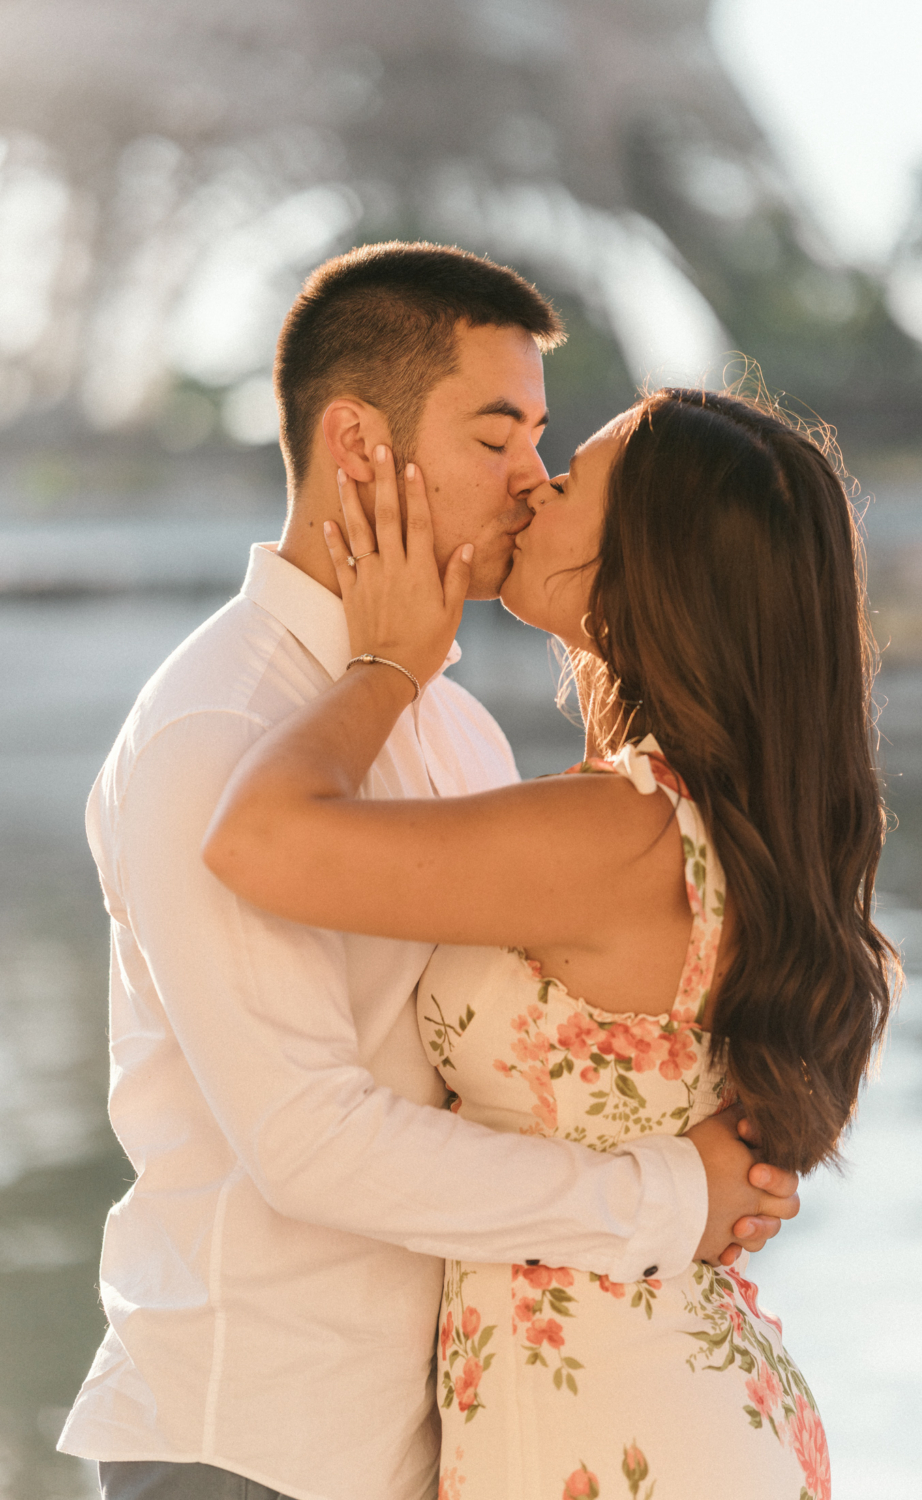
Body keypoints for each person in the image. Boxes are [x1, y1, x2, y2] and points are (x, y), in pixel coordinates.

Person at [58, 243, 801, 1500]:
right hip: (253, 1443)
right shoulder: (213, 733)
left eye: (544, 444)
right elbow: (307, 1143)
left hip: (447, 1436)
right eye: (497, 439)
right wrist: (670, 1196)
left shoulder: (451, 723)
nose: (533, 481)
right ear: (357, 447)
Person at [203, 384, 898, 1500]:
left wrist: (385, 665)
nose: (530, 482)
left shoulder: (614, 831)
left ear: (644, 561)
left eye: (567, 479)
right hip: (665, 1406)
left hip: (613, 1428)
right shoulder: (705, 821)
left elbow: (257, 842)